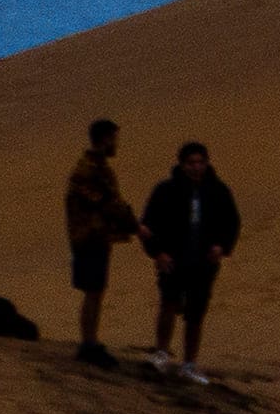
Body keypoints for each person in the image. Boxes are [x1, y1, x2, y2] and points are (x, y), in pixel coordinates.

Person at [139, 142, 240, 385]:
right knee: (169, 305)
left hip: (203, 264)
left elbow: (232, 222)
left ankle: (189, 364)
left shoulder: (218, 190)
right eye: (191, 163)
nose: (196, 167)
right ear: (182, 164)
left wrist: (222, 246)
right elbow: (147, 225)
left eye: (200, 162)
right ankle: (161, 354)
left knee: (196, 314)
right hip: (173, 260)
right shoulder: (166, 190)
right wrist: (157, 253)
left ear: (207, 163)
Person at [65, 119, 140, 370]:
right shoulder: (90, 169)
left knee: (95, 291)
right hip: (89, 238)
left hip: (94, 237)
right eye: (114, 138)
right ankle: (88, 344)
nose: (116, 143)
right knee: (93, 291)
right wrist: (136, 226)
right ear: (106, 138)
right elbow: (109, 203)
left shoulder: (95, 166)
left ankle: (91, 342)